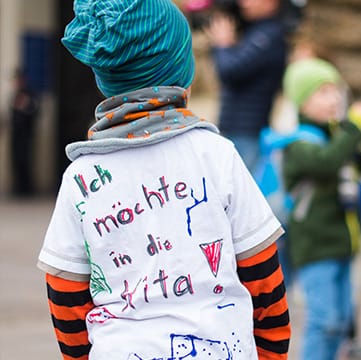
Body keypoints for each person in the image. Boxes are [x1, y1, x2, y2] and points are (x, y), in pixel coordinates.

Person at [36, 1, 290, 359]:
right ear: (180, 70)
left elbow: (64, 291)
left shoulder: (82, 177)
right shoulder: (214, 154)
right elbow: (264, 277)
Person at [282, 58, 361, 360]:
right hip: (316, 246)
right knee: (323, 320)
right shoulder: (299, 143)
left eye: (335, 90)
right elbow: (326, 162)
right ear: (302, 102)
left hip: (344, 243)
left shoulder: (339, 135)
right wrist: (354, 130)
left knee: (341, 322)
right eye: (323, 92)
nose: (334, 98)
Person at [205, 0, 287, 173]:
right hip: (236, 129)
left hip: (247, 133)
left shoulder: (269, 35)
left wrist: (223, 44)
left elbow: (230, 70)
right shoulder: (256, 32)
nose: (244, 3)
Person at [10, 69, 39, 197]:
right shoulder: (15, 95)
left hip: (26, 135)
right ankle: (18, 187)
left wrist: (25, 106)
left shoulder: (29, 94)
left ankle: (25, 189)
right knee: (16, 161)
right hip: (16, 134)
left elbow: (34, 111)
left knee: (25, 160)